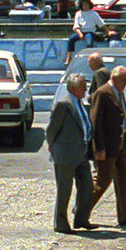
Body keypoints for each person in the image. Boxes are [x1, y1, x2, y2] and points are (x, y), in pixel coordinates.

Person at [89, 65, 126, 228]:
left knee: (124, 180)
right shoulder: (103, 93)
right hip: (107, 145)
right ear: (115, 78)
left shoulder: (119, 92)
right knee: (103, 181)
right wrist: (98, 148)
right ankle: (82, 209)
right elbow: (96, 122)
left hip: (120, 143)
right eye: (124, 80)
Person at [44, 72, 95, 233]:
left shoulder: (80, 103)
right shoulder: (64, 105)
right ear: (73, 89)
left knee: (87, 187)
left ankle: (81, 219)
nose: (85, 91)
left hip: (81, 152)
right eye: (83, 88)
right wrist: (51, 144)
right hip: (65, 153)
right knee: (65, 189)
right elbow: (52, 128)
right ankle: (60, 223)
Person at [64, 0, 101, 65]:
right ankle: (68, 57)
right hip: (81, 31)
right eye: (83, 5)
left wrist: (108, 31)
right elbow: (76, 25)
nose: (85, 6)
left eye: (87, 4)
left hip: (90, 32)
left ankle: (89, 59)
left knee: (89, 43)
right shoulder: (78, 13)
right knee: (71, 39)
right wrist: (80, 34)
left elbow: (101, 23)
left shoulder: (94, 13)